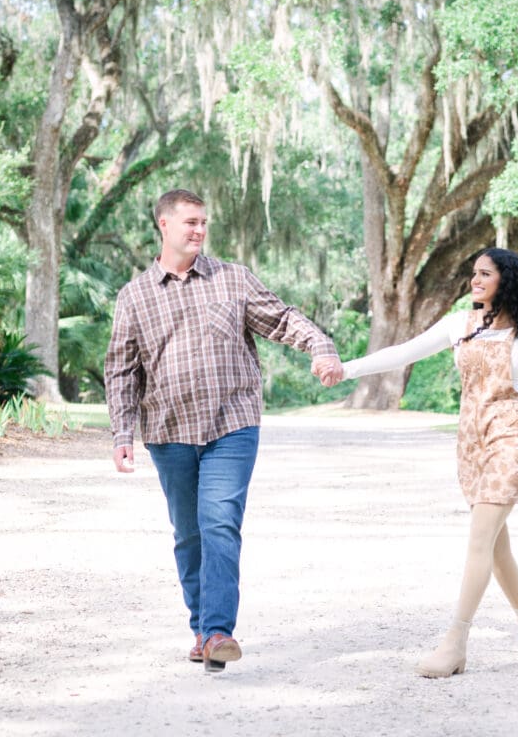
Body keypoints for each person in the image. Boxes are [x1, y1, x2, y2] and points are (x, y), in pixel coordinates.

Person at [319, 247, 518, 678]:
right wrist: (344, 370)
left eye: (484, 274)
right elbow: (402, 353)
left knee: (479, 542)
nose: (474, 281)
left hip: (511, 439)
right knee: (497, 550)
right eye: (473, 273)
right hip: (471, 443)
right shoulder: (457, 326)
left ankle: (454, 644)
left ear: (506, 281)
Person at [104, 188, 340, 673]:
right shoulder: (134, 297)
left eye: (204, 222)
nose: (199, 230)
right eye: (190, 221)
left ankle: (218, 632)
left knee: (219, 525)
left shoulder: (233, 279)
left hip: (231, 425)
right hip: (168, 433)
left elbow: (282, 319)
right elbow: (123, 370)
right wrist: (121, 433)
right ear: (164, 225)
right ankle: (200, 628)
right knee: (189, 536)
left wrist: (321, 346)